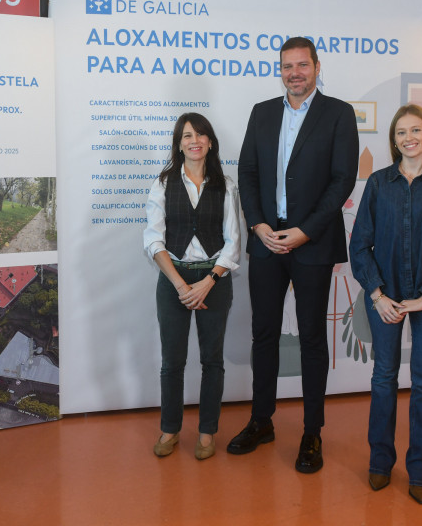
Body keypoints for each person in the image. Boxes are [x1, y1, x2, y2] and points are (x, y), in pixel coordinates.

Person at [231, 37, 359, 472]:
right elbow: (247, 173)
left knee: (310, 340)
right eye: (287, 66)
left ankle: (311, 433)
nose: (295, 73)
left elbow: (342, 180)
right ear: (280, 70)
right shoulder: (262, 113)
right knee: (263, 335)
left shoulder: (338, 113)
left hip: (312, 243)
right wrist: (258, 224)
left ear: (317, 67)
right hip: (267, 243)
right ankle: (261, 421)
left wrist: (304, 231)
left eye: (302, 65)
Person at [349, 104, 422, 504]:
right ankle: (380, 463)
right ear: (393, 140)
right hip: (384, 297)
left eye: (415, 130)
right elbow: (359, 246)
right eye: (401, 132)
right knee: (384, 378)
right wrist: (378, 294)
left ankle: (420, 471)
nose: (408, 138)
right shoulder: (379, 183)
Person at [143, 112, 241, 460]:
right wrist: (182, 285)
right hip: (174, 281)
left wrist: (208, 282)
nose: (194, 141)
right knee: (172, 361)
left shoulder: (225, 185)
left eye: (200, 135)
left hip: (215, 281)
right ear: (179, 143)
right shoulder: (162, 183)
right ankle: (169, 429)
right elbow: (153, 241)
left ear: (210, 141)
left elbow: (233, 242)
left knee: (212, 360)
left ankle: (206, 432)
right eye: (187, 136)